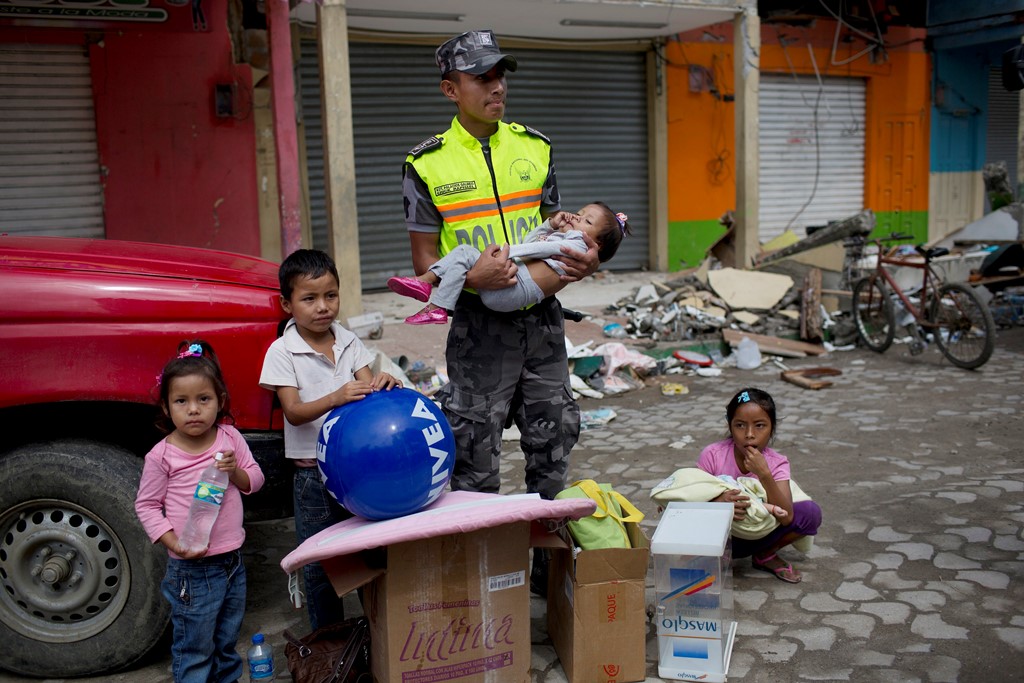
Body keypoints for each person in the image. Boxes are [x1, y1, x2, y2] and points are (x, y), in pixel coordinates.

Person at [401, 28, 600, 595]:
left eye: (500, 74)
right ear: (450, 88)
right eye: (481, 76)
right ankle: (490, 586)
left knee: (552, 452)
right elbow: (422, 267)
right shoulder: (426, 164)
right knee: (475, 463)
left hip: (541, 325)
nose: (497, 85)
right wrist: (472, 277)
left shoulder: (536, 148)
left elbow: (562, 234)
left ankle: (549, 582)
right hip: (477, 335)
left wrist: (583, 261)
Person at [258, 249, 401, 630]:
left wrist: (387, 385)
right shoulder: (281, 351)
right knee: (322, 564)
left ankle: (378, 638)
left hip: (358, 471)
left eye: (330, 296)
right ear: (287, 304)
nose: (322, 307)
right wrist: (337, 397)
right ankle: (328, 646)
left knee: (370, 553)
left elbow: (368, 388)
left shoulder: (348, 339)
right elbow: (293, 411)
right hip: (312, 477)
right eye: (309, 298)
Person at [134, 340, 265, 683]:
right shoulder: (162, 456)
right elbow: (146, 505)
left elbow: (255, 480)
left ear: (220, 401)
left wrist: (235, 470)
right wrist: (172, 541)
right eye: (181, 401)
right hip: (191, 568)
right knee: (195, 649)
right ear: (166, 407)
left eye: (203, 399)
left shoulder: (230, 439)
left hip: (232, 560)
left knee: (226, 642)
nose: (193, 409)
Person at [388, 202, 630, 324]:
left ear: (596, 244)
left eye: (587, 221)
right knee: (463, 252)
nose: (577, 217)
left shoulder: (577, 242)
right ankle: (430, 295)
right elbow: (534, 240)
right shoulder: (565, 235)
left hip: (511, 289)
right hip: (507, 288)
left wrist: (507, 252)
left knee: (467, 255)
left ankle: (433, 295)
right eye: (580, 211)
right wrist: (550, 226)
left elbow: (538, 247)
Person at [697, 387, 822, 583]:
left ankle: (765, 554)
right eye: (740, 425)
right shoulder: (713, 455)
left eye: (760, 425)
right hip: (723, 539)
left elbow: (787, 516)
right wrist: (718, 501)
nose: (749, 434)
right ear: (730, 427)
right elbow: (692, 498)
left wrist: (764, 474)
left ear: (772, 428)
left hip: (760, 535)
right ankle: (716, 558)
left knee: (810, 513)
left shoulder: (777, 462)